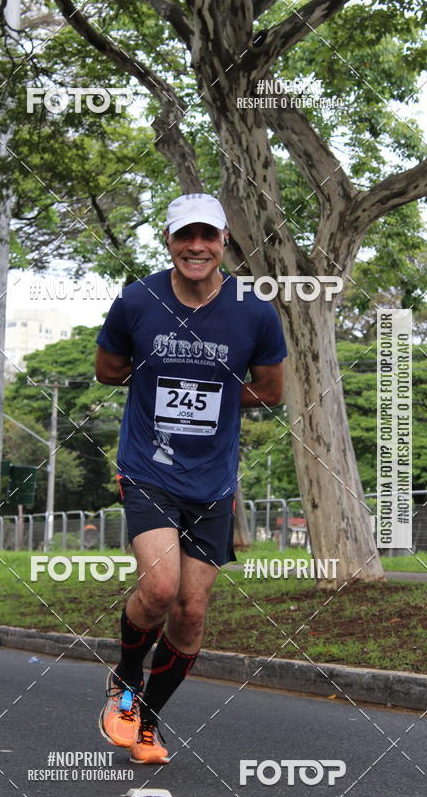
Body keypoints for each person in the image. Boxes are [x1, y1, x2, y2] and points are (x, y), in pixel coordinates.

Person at [95, 192, 287, 763]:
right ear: (170, 242)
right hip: (148, 468)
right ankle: (124, 687)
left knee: (191, 610)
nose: (196, 247)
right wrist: (158, 386)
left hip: (213, 481)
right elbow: (108, 370)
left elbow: (270, 390)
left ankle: (149, 721)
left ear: (225, 241)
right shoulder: (138, 300)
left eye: (207, 236)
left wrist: (217, 395)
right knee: (158, 588)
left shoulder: (255, 311)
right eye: (185, 237)